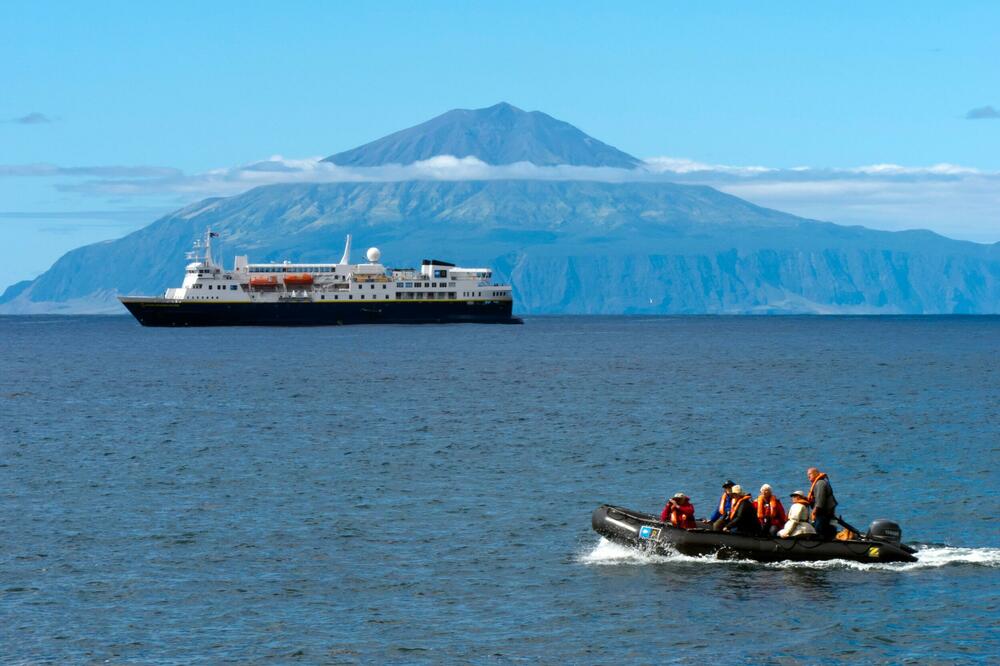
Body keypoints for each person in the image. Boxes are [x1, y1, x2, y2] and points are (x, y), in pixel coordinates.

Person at [806, 467, 838, 539]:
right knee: (826, 528)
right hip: (825, 513)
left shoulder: (820, 483)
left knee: (819, 531)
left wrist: (814, 511)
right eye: (807, 475)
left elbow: (820, 500)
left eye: (810, 474)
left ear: (816, 473)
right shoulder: (820, 483)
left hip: (823, 513)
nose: (808, 476)